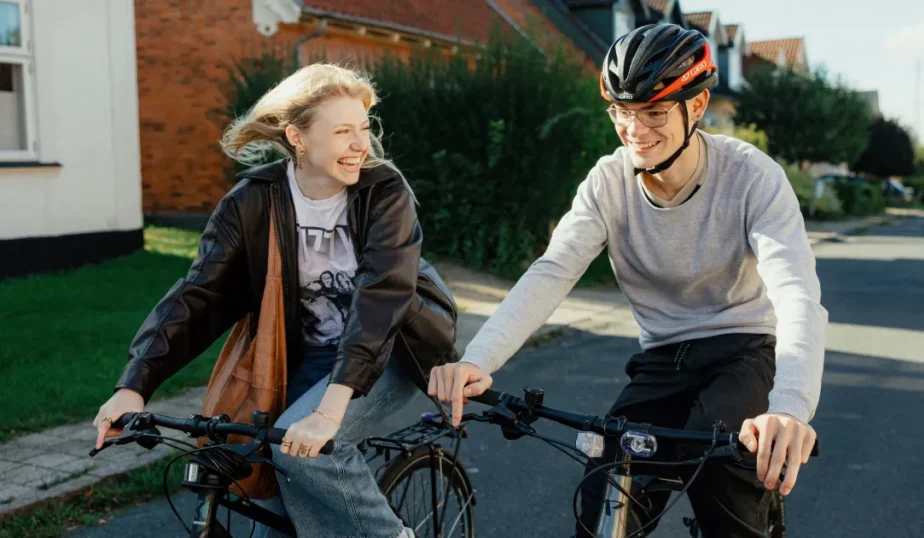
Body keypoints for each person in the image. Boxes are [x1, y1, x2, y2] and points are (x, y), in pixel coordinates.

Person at [428, 24, 826, 537]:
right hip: (663, 357)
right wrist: (477, 360)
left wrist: (790, 409)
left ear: (698, 105)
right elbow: (552, 271)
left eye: (654, 113)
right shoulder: (607, 182)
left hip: (743, 349)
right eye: (621, 112)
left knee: (720, 470)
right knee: (608, 487)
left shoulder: (752, 176)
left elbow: (796, 294)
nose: (634, 130)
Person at [92, 63, 459, 538]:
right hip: (305, 358)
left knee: (296, 448)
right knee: (275, 493)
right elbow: (199, 294)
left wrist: (329, 412)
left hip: (389, 352)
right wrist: (134, 385)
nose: (360, 145)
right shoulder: (254, 199)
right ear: (298, 137)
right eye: (343, 131)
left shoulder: (384, 191)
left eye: (363, 129)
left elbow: (381, 299)